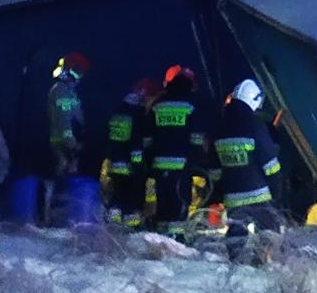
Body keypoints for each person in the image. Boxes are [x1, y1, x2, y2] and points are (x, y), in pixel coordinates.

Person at [211, 78, 285, 258]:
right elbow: (270, 165)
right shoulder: (255, 125)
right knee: (271, 235)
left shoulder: (220, 128)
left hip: (233, 199)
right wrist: (277, 190)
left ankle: (236, 267)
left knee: (236, 238)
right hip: (259, 196)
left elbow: (215, 168)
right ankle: (266, 266)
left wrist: (220, 194)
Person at [147, 65, 208, 238]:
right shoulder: (190, 105)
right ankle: (176, 243)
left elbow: (148, 138)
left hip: (159, 165)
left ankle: (159, 241)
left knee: (163, 205)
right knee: (179, 205)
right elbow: (196, 139)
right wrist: (199, 160)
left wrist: (149, 161)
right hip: (181, 165)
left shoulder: (157, 105)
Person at [103, 78, 158, 229]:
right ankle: (130, 232)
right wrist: (139, 164)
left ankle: (112, 228)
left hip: (115, 163)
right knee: (131, 202)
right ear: (145, 96)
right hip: (130, 165)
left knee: (116, 198)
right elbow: (136, 141)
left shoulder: (119, 109)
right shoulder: (138, 114)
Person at [46, 53, 89, 179]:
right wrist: (71, 143)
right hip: (62, 144)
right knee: (64, 170)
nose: (80, 77)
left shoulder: (69, 92)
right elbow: (63, 119)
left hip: (70, 143)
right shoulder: (61, 91)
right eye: (78, 72)